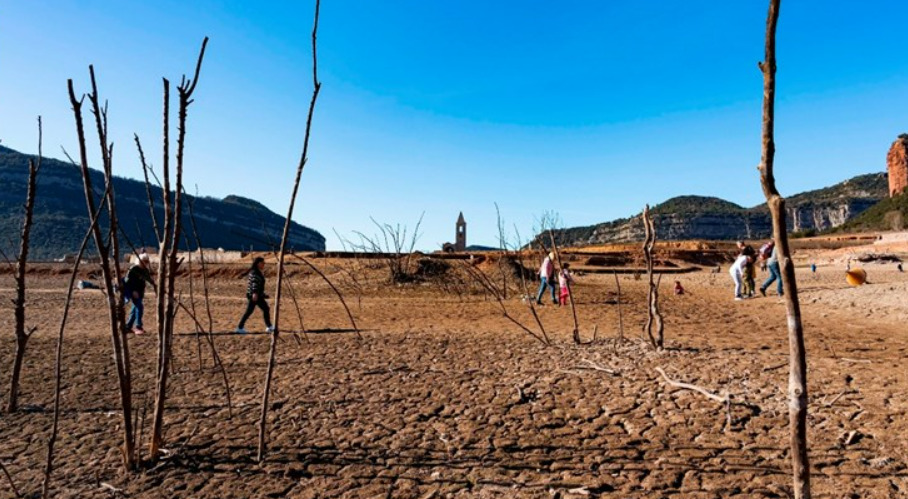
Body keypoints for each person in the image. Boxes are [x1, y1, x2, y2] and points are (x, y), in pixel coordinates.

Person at [236, 257, 274, 334]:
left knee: (262, 309)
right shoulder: (254, 272)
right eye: (263, 263)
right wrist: (255, 294)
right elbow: (254, 284)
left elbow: (258, 285)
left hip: (257, 295)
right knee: (257, 310)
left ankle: (269, 326)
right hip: (255, 296)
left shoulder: (256, 272)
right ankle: (240, 328)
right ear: (258, 263)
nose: (264, 264)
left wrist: (263, 294)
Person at [124, 253, 153, 335]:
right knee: (139, 307)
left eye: (147, 261)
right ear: (139, 261)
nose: (145, 263)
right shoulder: (133, 269)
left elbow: (149, 280)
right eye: (144, 261)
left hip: (140, 292)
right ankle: (138, 326)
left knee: (135, 308)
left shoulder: (145, 270)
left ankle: (127, 327)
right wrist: (133, 291)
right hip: (133, 292)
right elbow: (127, 281)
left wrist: (155, 285)